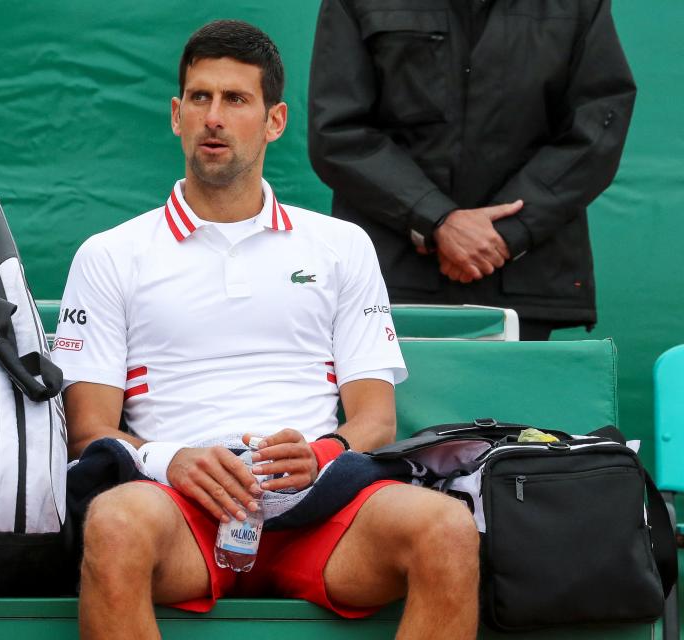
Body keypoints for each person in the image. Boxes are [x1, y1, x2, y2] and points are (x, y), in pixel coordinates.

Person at [52, 20, 479, 639]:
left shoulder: (341, 245)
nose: (214, 118)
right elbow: (88, 428)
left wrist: (323, 453)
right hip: (179, 516)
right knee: (114, 523)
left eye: (236, 100)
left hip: (320, 514)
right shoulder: (109, 254)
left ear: (275, 120)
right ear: (176, 115)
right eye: (200, 98)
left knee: (448, 528)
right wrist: (174, 460)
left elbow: (374, 420)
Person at [308, 0, 636, 340]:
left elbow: (599, 126)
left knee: (508, 394)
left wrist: (506, 233)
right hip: (390, 279)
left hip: (521, 277)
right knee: (393, 395)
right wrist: (436, 220)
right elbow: (337, 132)